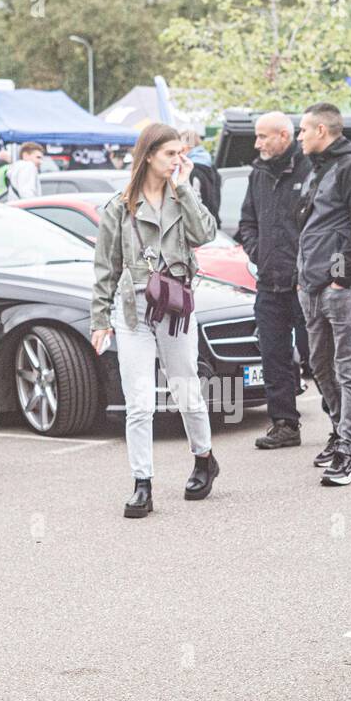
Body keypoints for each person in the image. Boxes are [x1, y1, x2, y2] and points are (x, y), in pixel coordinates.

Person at [90, 123, 219, 518]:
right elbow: (105, 267)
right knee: (140, 403)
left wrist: (185, 188)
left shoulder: (182, 197)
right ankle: (142, 483)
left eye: (182, 153)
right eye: (170, 154)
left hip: (176, 312)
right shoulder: (119, 207)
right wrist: (99, 318)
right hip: (133, 312)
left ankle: (204, 458)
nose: (179, 160)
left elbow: (206, 234)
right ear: (148, 156)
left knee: (186, 392)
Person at [295, 102, 351, 486]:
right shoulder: (321, 168)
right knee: (319, 364)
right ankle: (339, 429)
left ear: (322, 132)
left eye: (303, 130)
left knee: (349, 367)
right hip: (312, 285)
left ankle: (348, 449)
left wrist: (340, 280)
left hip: (344, 288)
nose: (299, 137)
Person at [237, 111, 312, 450]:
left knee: (318, 356)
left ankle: (342, 427)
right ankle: (284, 424)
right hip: (269, 281)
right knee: (273, 355)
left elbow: (321, 226)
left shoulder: (310, 169)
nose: (257, 143)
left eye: (263, 136)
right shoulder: (258, 174)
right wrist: (258, 252)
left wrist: (306, 267)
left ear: (284, 135)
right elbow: (247, 222)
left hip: (304, 283)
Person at [180, 129, 221, 224]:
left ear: (186, 147)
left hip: (202, 227)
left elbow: (194, 205)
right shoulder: (210, 166)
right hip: (212, 223)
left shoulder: (192, 170)